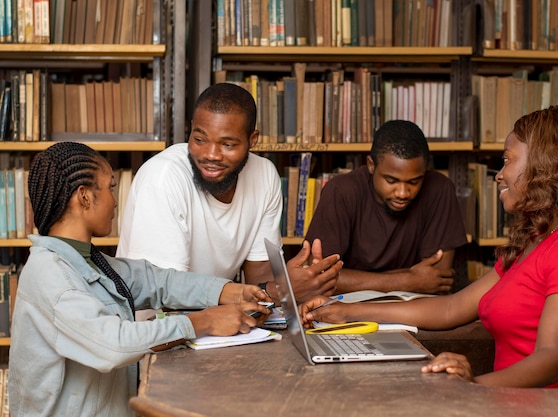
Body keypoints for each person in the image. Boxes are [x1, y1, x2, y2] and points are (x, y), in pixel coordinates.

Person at [301, 107, 558, 388]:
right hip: (506, 403)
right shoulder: (537, 241)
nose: (499, 175)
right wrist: (343, 311)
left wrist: (473, 386)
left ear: (546, 168)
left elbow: (551, 359)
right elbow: (450, 309)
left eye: (507, 160)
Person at [8, 142, 275, 417]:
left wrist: (230, 292)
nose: (115, 199)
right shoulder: (51, 276)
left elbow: (158, 281)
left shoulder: (90, 262)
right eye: (110, 187)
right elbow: (113, 344)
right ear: (84, 197)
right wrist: (203, 321)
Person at [116, 82, 341, 303]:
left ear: (252, 140)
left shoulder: (264, 175)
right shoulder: (163, 177)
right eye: (199, 139)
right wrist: (278, 292)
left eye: (228, 145)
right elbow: (166, 291)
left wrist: (292, 285)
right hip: (158, 325)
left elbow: (260, 277)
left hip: (216, 321)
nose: (211, 155)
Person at [305, 120, 467, 295]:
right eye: (391, 180)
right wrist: (408, 280)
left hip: (415, 311)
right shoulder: (341, 191)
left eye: (414, 181)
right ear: (371, 165)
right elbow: (318, 278)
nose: (403, 193)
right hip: (348, 310)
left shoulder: (440, 189)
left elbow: (436, 280)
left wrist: (353, 279)